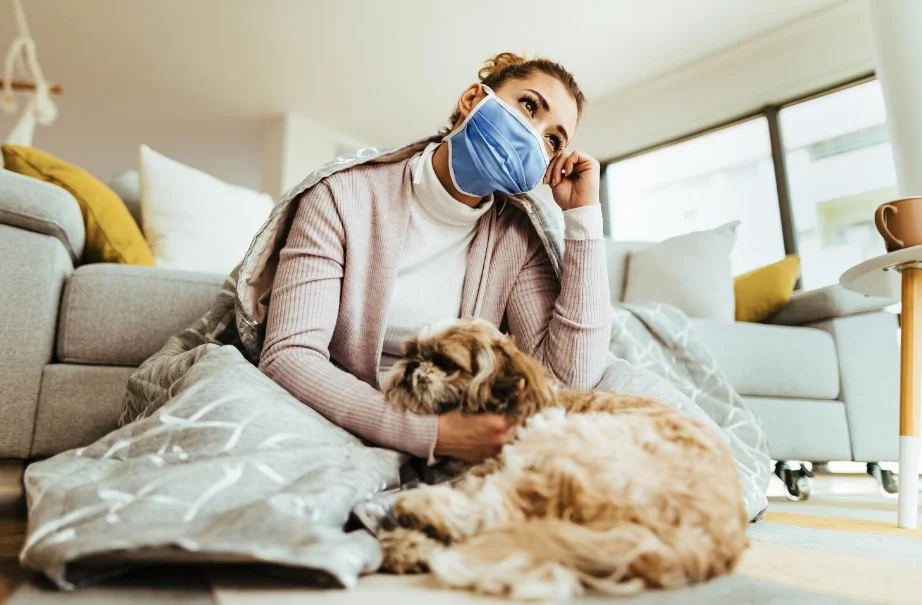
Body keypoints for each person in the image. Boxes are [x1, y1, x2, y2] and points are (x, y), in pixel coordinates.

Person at [258, 52, 610, 465]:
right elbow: (288, 353)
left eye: (553, 141)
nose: (534, 136)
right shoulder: (341, 195)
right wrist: (432, 434)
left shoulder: (519, 238)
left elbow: (567, 379)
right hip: (340, 416)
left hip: (459, 427)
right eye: (529, 106)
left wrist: (583, 218)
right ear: (471, 99)